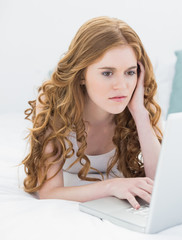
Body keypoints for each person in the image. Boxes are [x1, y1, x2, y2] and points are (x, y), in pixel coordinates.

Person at [21, 16, 162, 210]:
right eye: (107, 73)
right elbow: (49, 193)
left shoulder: (141, 107)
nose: (121, 87)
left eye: (130, 72)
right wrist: (112, 186)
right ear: (81, 75)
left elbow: (160, 183)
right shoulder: (51, 105)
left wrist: (139, 113)